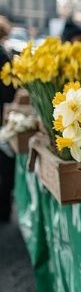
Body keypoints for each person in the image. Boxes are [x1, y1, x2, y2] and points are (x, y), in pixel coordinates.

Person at [0, 16, 16, 222]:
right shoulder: (3, 55)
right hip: (0, 118)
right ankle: (3, 210)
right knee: (3, 166)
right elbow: (8, 91)